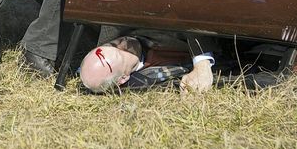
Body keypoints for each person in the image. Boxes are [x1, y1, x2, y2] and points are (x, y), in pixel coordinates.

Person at [79, 29, 217, 94]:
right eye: (120, 54)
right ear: (123, 78)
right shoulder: (145, 81)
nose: (122, 42)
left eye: (112, 44)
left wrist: (202, 63)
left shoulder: (115, 27)